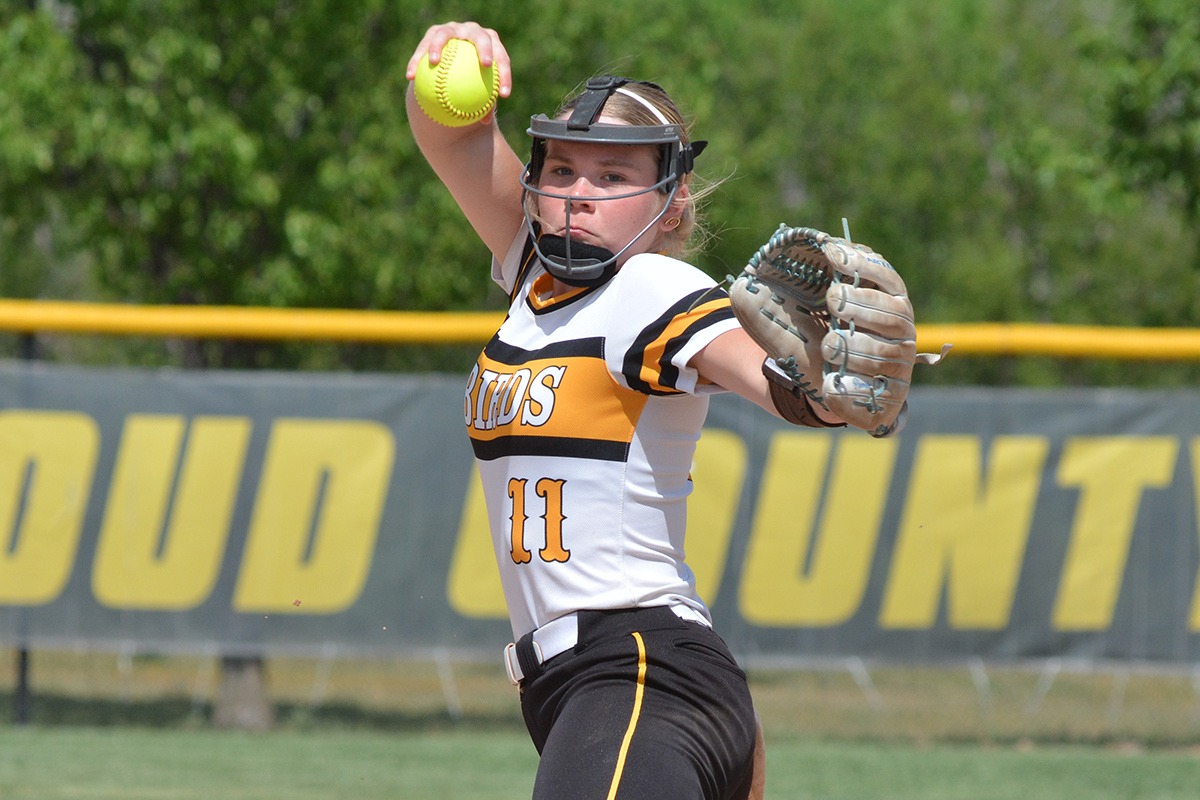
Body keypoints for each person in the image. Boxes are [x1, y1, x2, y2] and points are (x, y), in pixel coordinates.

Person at [406, 21, 852, 800]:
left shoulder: (652, 288)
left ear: (672, 200)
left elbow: (774, 381)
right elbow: (454, 140)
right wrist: (449, 59)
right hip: (586, 690)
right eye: (564, 168)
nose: (579, 194)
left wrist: (822, 383)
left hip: (640, 673)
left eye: (613, 178)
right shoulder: (534, 280)